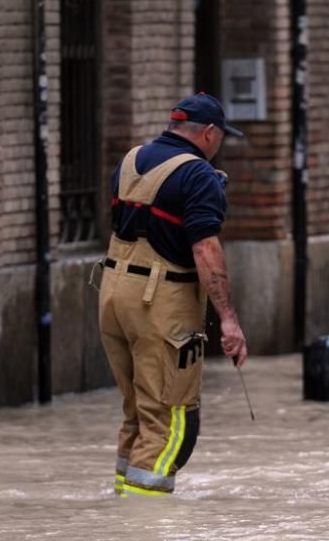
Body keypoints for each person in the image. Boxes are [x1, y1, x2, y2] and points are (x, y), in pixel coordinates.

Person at [98, 92, 248, 498]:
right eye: (221, 138)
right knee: (171, 420)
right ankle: (146, 530)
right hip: (159, 303)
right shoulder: (198, 174)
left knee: (137, 412)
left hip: (113, 296)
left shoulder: (130, 160)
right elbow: (205, 250)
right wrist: (229, 320)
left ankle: (120, 507)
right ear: (209, 133)